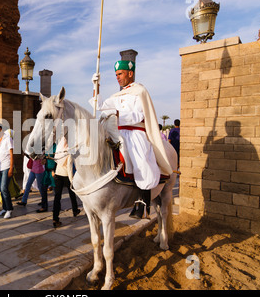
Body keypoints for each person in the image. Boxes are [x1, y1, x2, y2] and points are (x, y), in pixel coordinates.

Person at [90, 60, 173, 219]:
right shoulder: (118, 95)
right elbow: (100, 105)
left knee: (141, 158)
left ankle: (143, 202)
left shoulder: (140, 91)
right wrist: (96, 86)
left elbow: (139, 114)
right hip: (119, 132)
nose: (117, 78)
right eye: (116, 75)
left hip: (136, 132)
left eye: (120, 74)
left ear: (130, 73)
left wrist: (117, 116)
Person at [52, 137, 80, 228]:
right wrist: (72, 181)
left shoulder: (59, 151)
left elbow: (55, 162)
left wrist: (54, 171)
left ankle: (55, 218)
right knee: (72, 193)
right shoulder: (69, 152)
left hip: (57, 174)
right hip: (66, 176)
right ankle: (75, 210)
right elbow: (69, 167)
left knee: (57, 197)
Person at [0, 127, 14, 219]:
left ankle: (9, 209)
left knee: (4, 188)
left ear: (0, 129)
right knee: (1, 190)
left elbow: (11, 154)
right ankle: (4, 208)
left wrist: (11, 168)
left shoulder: (7, 138)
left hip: (6, 167)